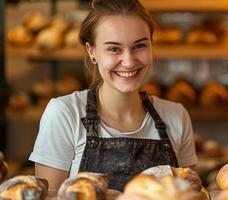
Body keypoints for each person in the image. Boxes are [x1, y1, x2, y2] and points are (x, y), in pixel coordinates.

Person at [29, 0, 197, 192]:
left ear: (151, 45)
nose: (128, 61)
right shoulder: (65, 114)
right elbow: (48, 197)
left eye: (139, 46)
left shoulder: (176, 116)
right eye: (114, 49)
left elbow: (191, 194)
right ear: (92, 51)